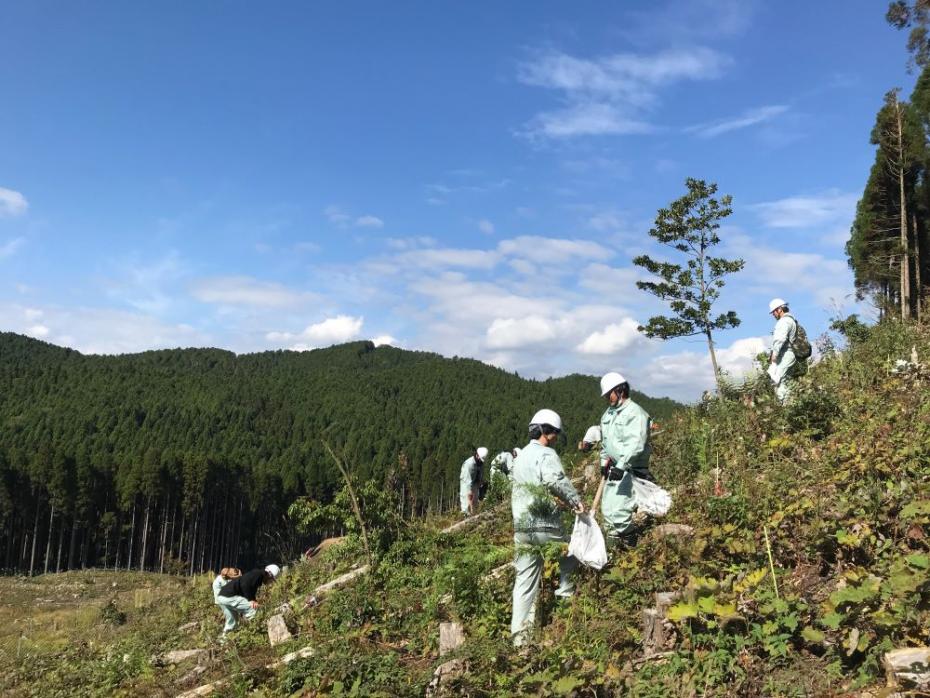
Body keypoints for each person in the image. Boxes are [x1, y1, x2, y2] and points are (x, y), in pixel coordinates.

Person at [511, 409, 584, 647]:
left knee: (525, 582)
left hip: (522, 527)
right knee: (571, 553)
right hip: (545, 525)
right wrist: (575, 501)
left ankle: (521, 641)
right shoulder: (547, 454)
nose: (554, 437)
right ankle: (565, 607)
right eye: (554, 433)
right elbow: (554, 480)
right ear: (546, 431)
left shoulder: (520, 456)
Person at [598, 372, 653, 547]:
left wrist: (621, 465)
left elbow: (636, 443)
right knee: (608, 512)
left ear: (620, 390)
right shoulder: (608, 415)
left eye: (609, 394)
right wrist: (603, 462)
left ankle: (632, 546)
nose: (608, 398)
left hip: (630, 469)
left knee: (620, 513)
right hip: (614, 468)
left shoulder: (635, 413)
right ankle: (613, 554)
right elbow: (605, 442)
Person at [216, 564, 280, 634]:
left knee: (232, 622)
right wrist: (251, 600)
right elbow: (245, 585)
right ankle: (255, 633)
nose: (270, 582)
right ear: (269, 575)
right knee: (253, 610)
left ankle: (223, 642)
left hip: (222, 596)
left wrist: (253, 600)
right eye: (271, 579)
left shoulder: (257, 576)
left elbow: (250, 590)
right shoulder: (258, 574)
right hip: (230, 596)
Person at [768, 298, 802, 404]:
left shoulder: (783, 322)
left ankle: (786, 407)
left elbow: (779, 340)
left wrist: (774, 357)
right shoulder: (792, 320)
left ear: (780, 309)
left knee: (778, 380)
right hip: (791, 355)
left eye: (773, 311)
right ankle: (791, 405)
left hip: (786, 355)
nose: (773, 314)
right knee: (785, 381)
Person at [460, 447, 488, 516]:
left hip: (475, 481)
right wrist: (470, 496)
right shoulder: (469, 465)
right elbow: (468, 484)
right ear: (477, 455)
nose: (481, 461)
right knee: (467, 502)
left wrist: (481, 482)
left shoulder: (480, 462)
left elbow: (480, 472)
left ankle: (474, 515)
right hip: (466, 482)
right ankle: (466, 516)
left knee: (475, 502)